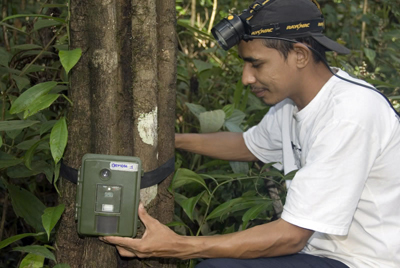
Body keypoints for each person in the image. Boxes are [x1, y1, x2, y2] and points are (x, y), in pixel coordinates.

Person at [99, 0, 400, 267]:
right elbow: (247, 145)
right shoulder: (292, 104)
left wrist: (179, 246)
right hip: (319, 254)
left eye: (256, 64)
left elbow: (291, 237)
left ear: (299, 55)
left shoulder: (349, 115)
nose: (247, 78)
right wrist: (166, 141)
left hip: (364, 261)